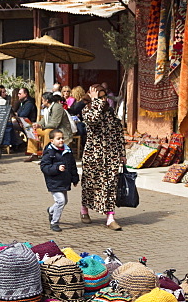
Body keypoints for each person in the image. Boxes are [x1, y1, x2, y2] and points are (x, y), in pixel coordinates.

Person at [80, 84, 127, 231]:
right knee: (90, 185)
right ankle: (84, 210)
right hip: (93, 155)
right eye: (99, 97)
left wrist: (122, 153)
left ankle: (110, 217)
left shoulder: (110, 112)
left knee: (110, 186)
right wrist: (95, 102)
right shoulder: (87, 110)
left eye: (104, 96)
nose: (103, 99)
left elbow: (118, 132)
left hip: (111, 155)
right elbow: (93, 120)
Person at [40, 128, 79, 233]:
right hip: (54, 181)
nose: (61, 140)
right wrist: (56, 168)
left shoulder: (67, 151)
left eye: (62, 138)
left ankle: (51, 210)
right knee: (60, 200)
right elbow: (44, 167)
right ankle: (54, 222)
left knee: (64, 201)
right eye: (58, 139)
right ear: (52, 141)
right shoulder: (49, 152)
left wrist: (75, 178)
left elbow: (72, 166)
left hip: (64, 181)